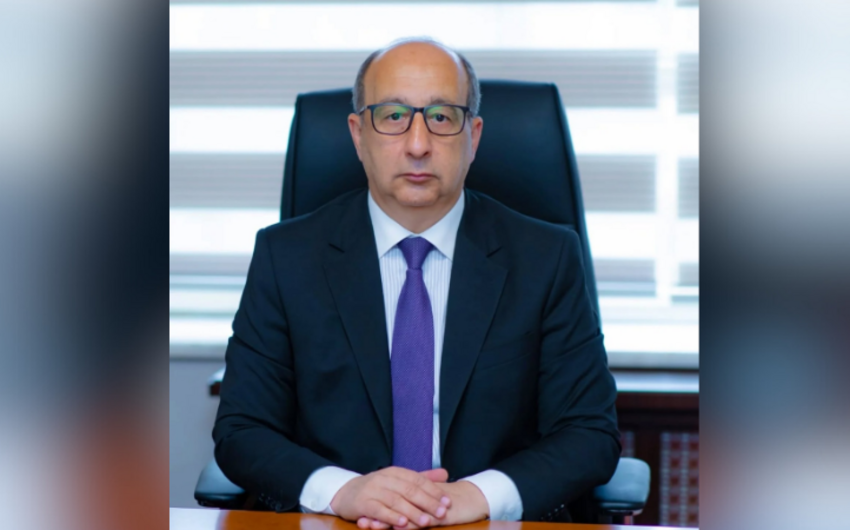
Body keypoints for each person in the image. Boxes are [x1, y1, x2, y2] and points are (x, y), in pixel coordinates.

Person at [213, 37, 620, 528]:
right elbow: (242, 430)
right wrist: (342, 490)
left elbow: (589, 434)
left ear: (474, 136)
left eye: (442, 117)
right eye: (393, 116)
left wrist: (477, 496)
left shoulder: (546, 259)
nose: (418, 145)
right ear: (358, 135)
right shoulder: (286, 257)